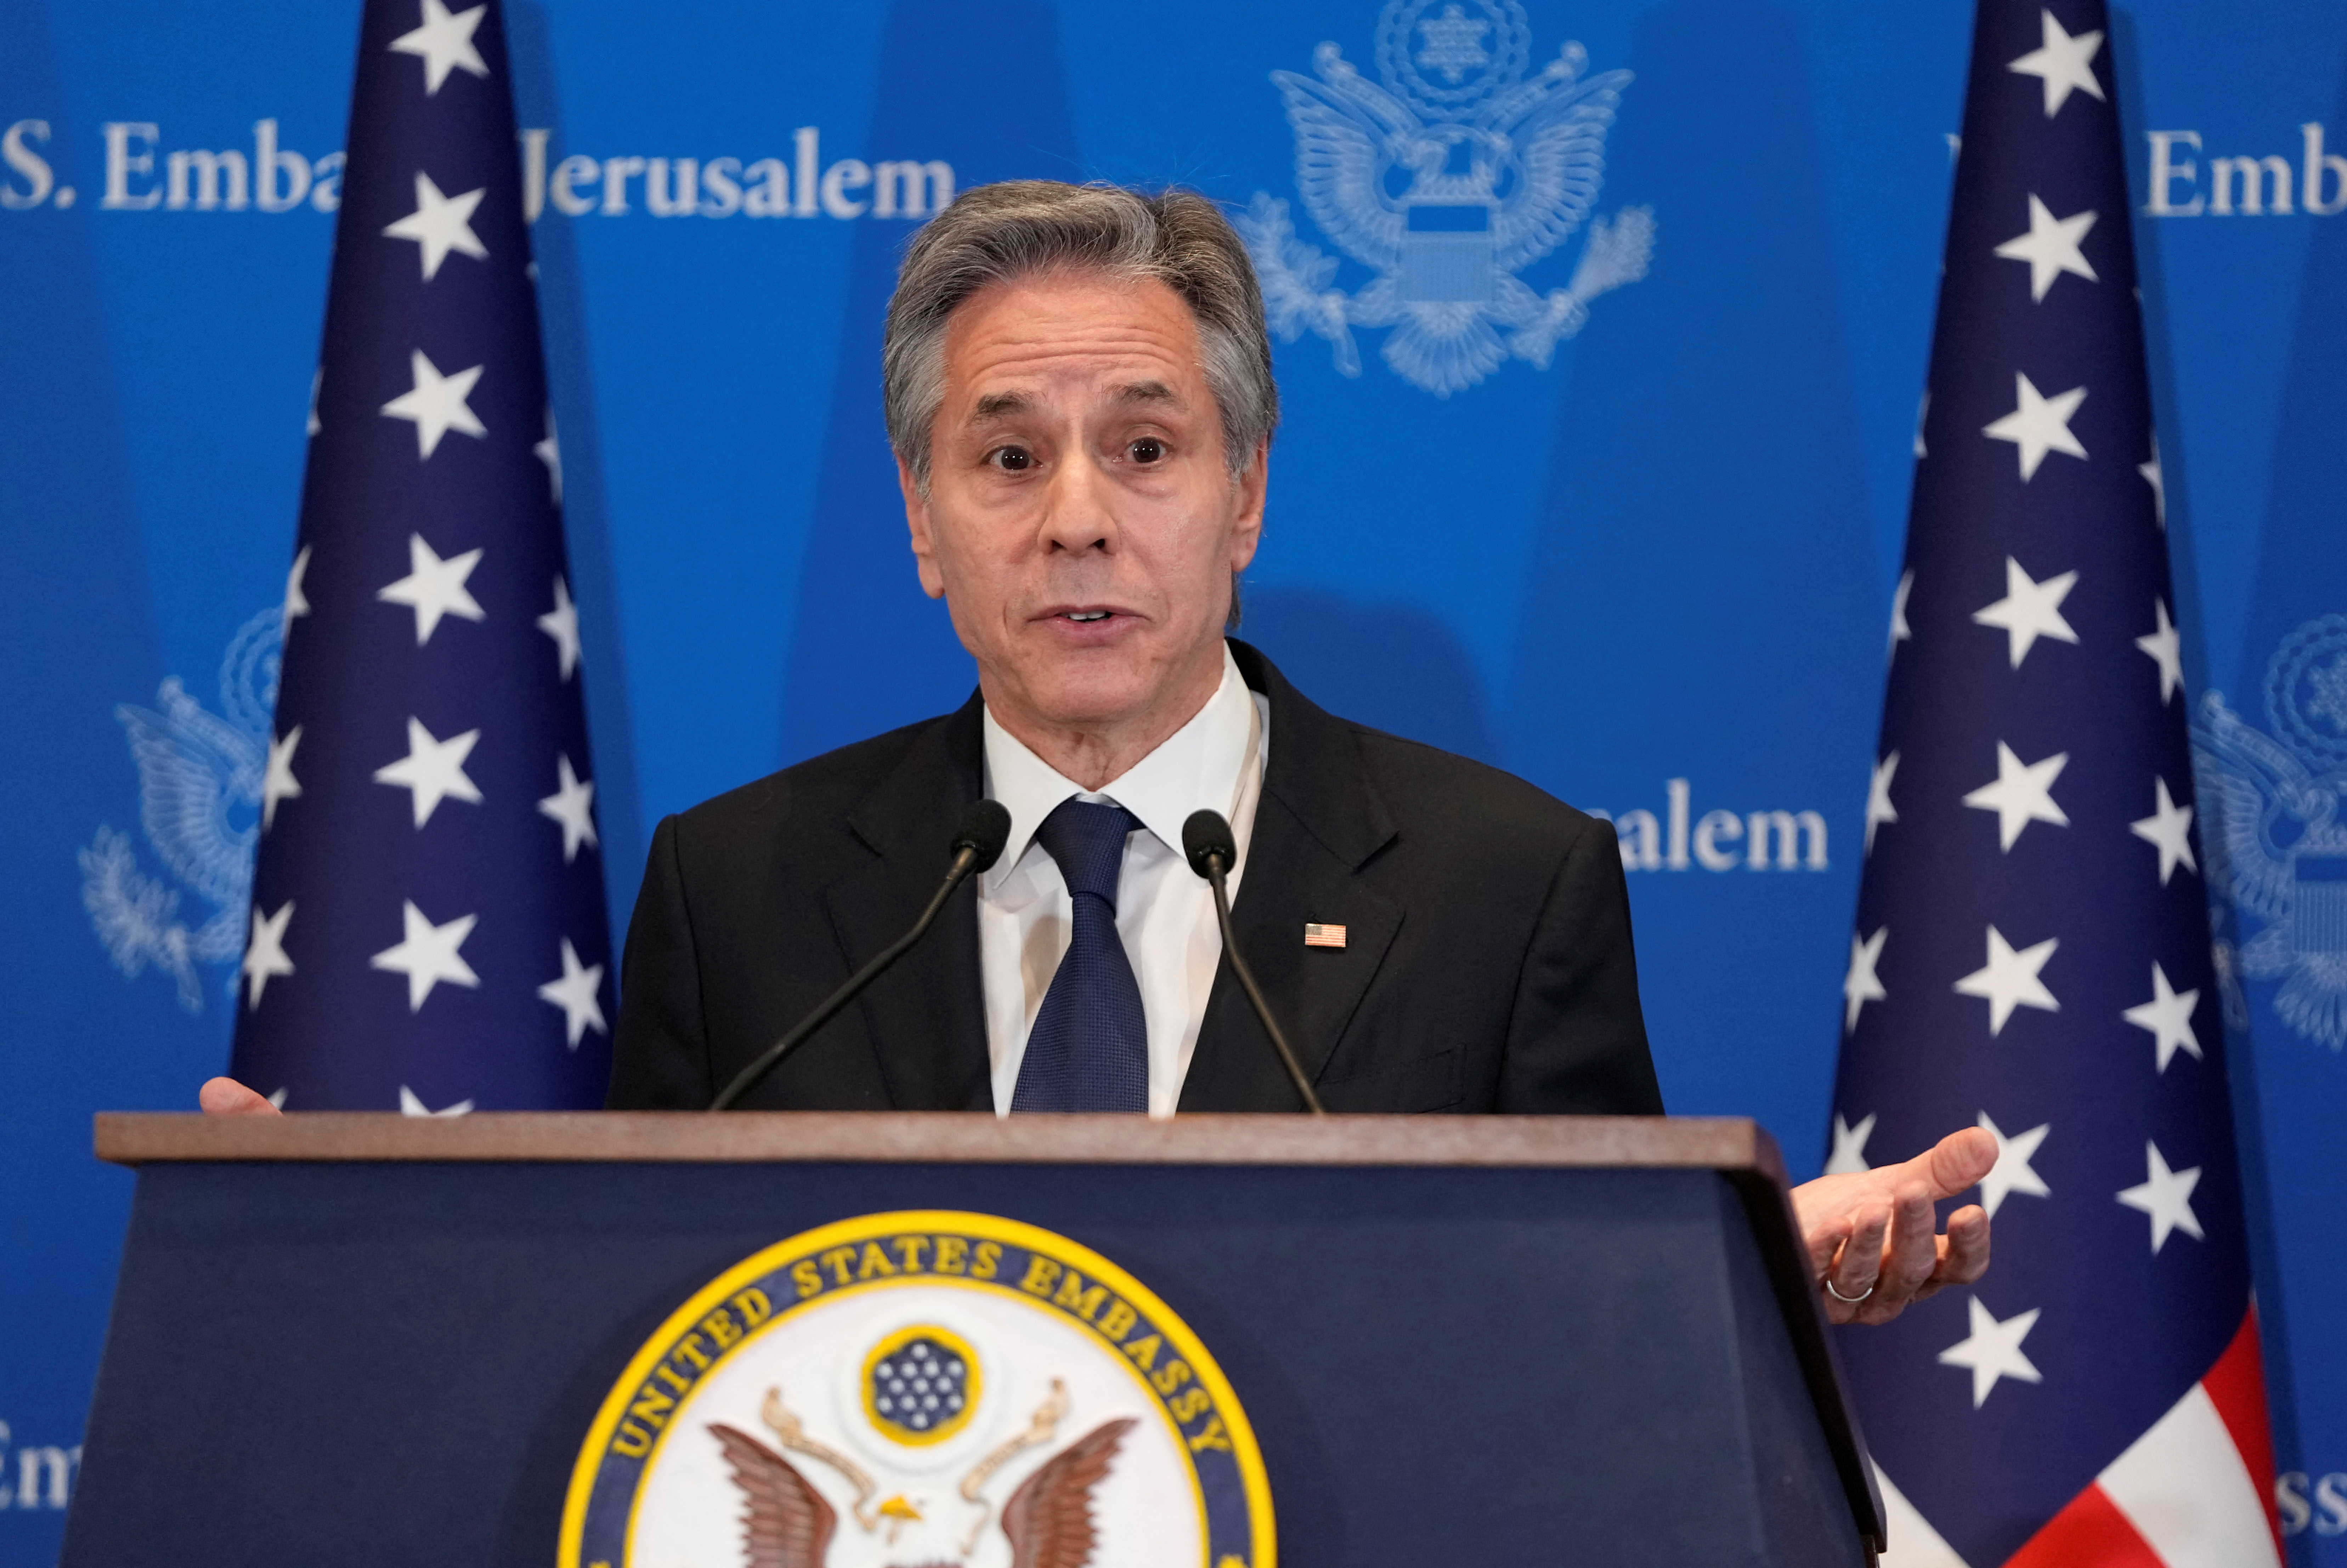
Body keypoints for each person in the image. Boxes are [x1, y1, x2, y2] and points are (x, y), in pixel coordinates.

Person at [204, 180, 1991, 1326]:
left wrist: (1748, 1280)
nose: (1075, 522)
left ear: (1244, 500)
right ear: (920, 519)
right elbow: (656, 1339)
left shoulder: (1497, 887)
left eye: (1143, 449)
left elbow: (1591, 1347)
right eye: (1004, 460)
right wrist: (365, 1275)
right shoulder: (736, 894)